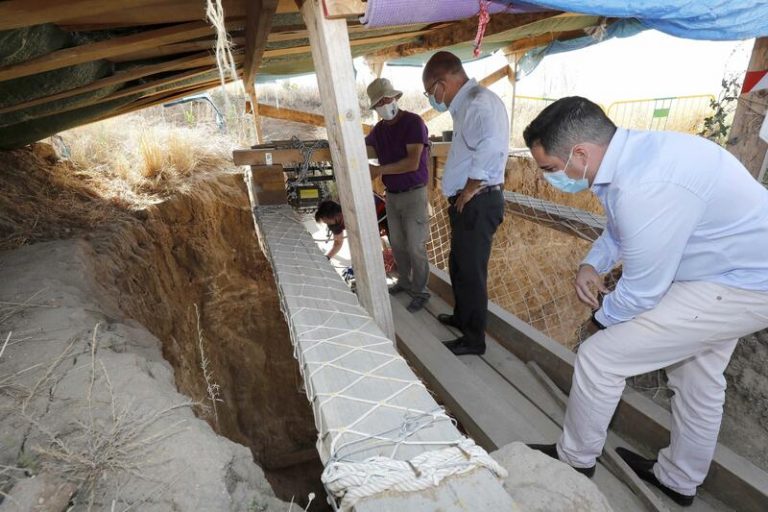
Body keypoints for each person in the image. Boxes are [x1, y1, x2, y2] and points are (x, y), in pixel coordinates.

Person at [523, 96, 768, 506]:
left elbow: (642, 290)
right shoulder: (632, 158)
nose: (551, 177)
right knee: (697, 377)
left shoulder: (646, 184)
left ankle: (574, 463)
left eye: (551, 168)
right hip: (729, 272)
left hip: (742, 284)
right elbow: (621, 231)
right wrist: (590, 264)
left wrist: (599, 321)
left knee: (600, 357)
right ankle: (679, 479)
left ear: (580, 153)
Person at [421, 51, 508, 356]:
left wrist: (470, 187)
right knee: (459, 266)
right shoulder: (468, 103)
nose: (433, 98)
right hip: (470, 200)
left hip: (479, 200)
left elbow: (491, 145)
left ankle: (474, 339)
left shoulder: (477, 103)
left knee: (471, 272)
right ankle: (462, 318)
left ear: (442, 83)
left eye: (431, 92)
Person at [365, 77, 432, 313]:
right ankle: (404, 282)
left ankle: (421, 291)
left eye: (388, 99)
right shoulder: (379, 130)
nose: (385, 104)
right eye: (380, 102)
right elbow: (364, 148)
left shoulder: (414, 123)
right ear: (375, 108)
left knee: (415, 245)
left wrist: (378, 170)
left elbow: (413, 163)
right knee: (398, 245)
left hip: (414, 194)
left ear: (396, 98)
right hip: (392, 195)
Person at [315, 195, 388, 261]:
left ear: (334, 215)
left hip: (381, 211)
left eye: (326, 221)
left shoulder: (350, 206)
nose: (327, 224)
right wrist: (327, 257)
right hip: (371, 224)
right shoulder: (334, 224)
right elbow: (338, 243)